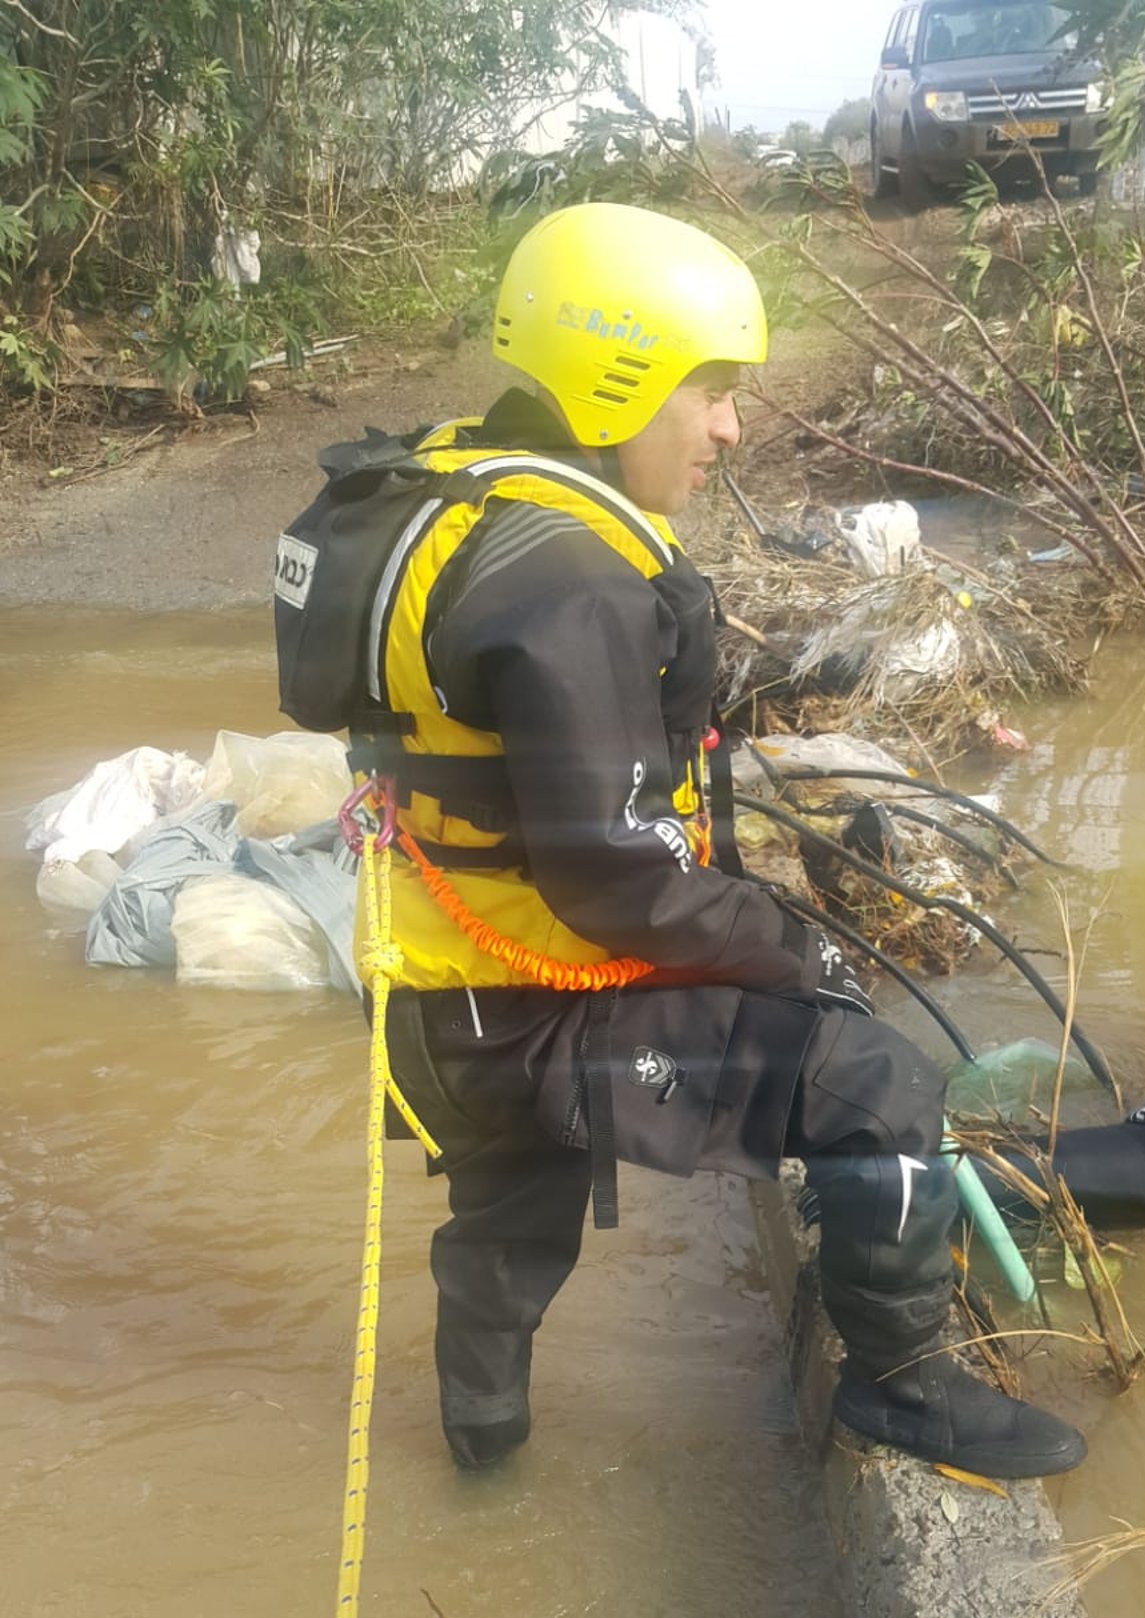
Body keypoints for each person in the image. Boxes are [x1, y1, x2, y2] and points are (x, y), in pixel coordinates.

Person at [314, 202, 1087, 1483]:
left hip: (436, 1002)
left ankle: (482, 1452)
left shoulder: (451, 494)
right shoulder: (572, 580)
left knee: (512, 1213)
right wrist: (793, 950)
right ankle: (899, 1394)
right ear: (615, 380)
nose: (730, 427)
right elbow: (620, 874)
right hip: (534, 1008)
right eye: (712, 389)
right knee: (873, 1085)